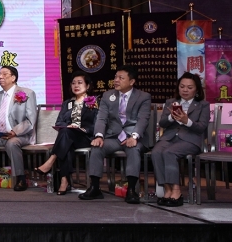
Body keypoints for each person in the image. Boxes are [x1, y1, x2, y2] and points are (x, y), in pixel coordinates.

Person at [79, 65, 152, 204]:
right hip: (114, 137)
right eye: (115, 77)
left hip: (133, 137)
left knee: (133, 149)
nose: (116, 80)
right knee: (97, 147)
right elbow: (101, 118)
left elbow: (143, 119)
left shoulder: (143, 97)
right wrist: (99, 136)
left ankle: (131, 190)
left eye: (121, 78)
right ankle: (94, 187)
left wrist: (134, 136)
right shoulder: (108, 96)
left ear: (132, 81)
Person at [151, 72, 210, 207]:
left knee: (169, 152)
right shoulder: (171, 102)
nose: (185, 90)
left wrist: (186, 121)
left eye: (189, 87)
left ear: (196, 90)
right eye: (182, 86)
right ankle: (167, 189)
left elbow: (201, 127)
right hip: (169, 137)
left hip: (190, 140)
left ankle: (176, 191)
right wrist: (171, 117)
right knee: (156, 152)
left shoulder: (203, 105)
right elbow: (163, 123)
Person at [36, 71, 98, 195]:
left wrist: (82, 129)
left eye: (80, 83)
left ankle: (51, 161)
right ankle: (64, 180)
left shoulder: (93, 102)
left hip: (85, 137)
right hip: (69, 136)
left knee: (65, 137)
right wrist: (69, 126)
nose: (76, 85)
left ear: (87, 86)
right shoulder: (67, 103)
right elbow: (59, 122)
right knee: (66, 138)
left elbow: (97, 123)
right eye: (73, 83)